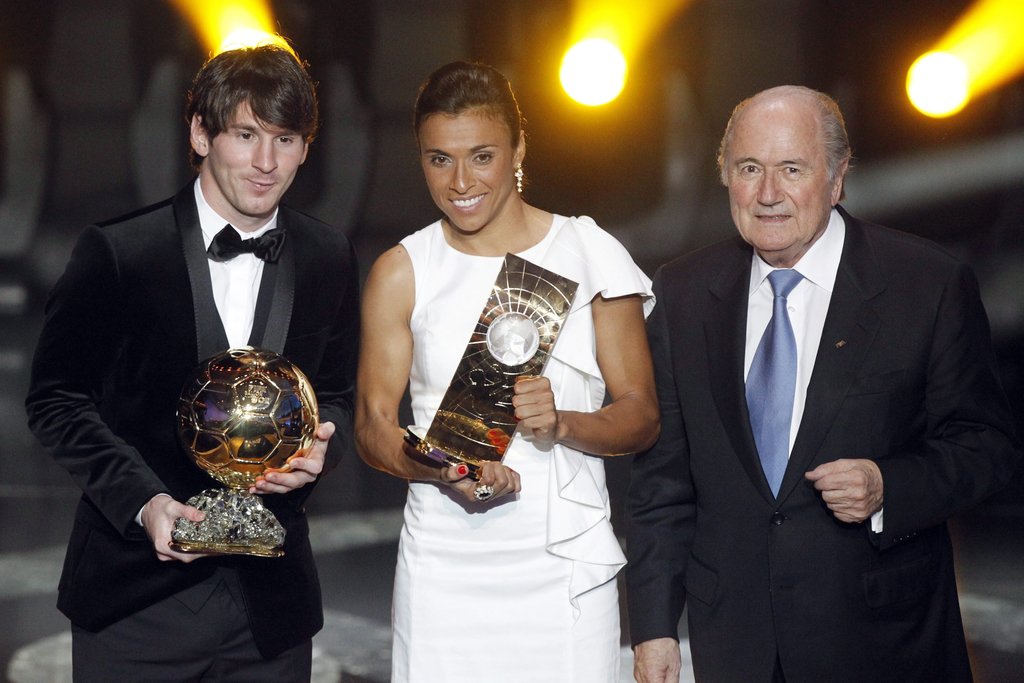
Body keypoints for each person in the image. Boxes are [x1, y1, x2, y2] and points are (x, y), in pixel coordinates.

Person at [625, 84, 1022, 683]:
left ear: (837, 179)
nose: (767, 194)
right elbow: (662, 481)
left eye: (792, 169)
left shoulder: (927, 285)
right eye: (749, 168)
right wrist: (654, 627)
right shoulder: (683, 292)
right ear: (725, 176)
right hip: (735, 643)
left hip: (881, 642)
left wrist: (888, 486)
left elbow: (987, 448)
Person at [25, 43, 359, 682]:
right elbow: (55, 400)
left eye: (285, 139)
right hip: (135, 603)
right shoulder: (119, 252)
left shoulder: (328, 256)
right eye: (246, 135)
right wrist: (144, 500)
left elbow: (338, 392)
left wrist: (325, 446)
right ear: (201, 134)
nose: (266, 163)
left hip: (271, 611)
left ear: (306, 148)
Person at [355, 61, 660, 682]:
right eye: (439, 159)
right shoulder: (402, 269)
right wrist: (446, 470)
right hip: (445, 562)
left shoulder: (588, 252)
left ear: (519, 149)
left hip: (563, 564)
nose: (460, 181)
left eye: (482, 156)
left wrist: (563, 424)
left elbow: (642, 416)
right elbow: (371, 427)